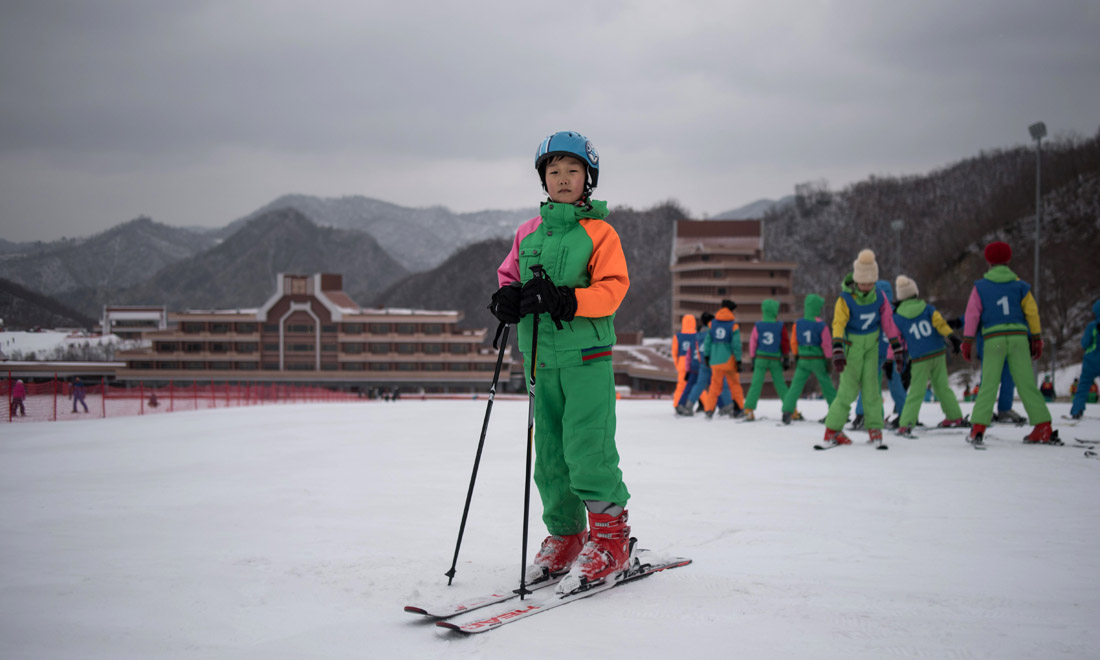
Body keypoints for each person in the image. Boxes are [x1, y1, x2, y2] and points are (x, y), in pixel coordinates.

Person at [487, 130, 632, 594]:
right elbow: (510, 276)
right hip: (539, 363)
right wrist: (506, 299)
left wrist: (569, 299)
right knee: (549, 456)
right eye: (554, 171)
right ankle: (568, 535)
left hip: (586, 358)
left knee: (587, 448)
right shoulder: (527, 233)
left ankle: (611, 539)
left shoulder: (600, 232)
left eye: (573, 171)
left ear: (588, 178)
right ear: (543, 180)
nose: (563, 179)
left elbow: (613, 287)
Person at [962, 241, 1055, 445]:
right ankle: (1043, 426)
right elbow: (1032, 312)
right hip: (1018, 339)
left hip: (993, 339)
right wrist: (1036, 338)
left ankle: (978, 428)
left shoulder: (980, 287)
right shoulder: (1021, 286)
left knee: (989, 384)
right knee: (1026, 382)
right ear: (1009, 259)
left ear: (988, 261)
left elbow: (972, 316)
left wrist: (968, 341)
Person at [820, 249, 905, 447]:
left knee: (872, 391)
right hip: (852, 350)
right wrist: (838, 349)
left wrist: (896, 347)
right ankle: (832, 430)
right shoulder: (846, 299)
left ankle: (875, 428)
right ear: (856, 280)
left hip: (872, 349)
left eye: (870, 283)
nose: (866, 287)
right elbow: (838, 323)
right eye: (863, 282)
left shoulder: (879, 297)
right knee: (847, 392)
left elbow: (888, 322)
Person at [890, 275, 967, 436]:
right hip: (938, 352)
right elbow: (940, 324)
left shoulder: (897, 318)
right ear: (915, 293)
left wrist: (896, 357)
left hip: (919, 357)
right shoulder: (927, 308)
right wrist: (952, 337)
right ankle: (955, 417)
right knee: (942, 387)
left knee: (916, 391)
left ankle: (906, 423)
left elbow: (897, 340)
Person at [851, 280, 907, 430]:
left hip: (874, 352)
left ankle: (865, 415)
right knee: (895, 385)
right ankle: (906, 415)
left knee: (870, 385)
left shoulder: (874, 307)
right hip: (893, 353)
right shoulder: (897, 311)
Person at [781, 293, 836, 424]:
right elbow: (826, 344)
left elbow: (794, 342)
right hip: (818, 360)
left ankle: (787, 411)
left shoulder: (798, 324)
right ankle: (836, 411)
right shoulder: (821, 325)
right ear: (816, 308)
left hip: (803, 359)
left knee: (795, 387)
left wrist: (796, 355)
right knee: (827, 385)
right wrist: (828, 359)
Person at [741, 299, 791, 421]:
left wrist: (752, 357)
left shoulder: (758, 325)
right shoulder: (780, 325)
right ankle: (790, 410)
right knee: (781, 385)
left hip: (760, 358)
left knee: (756, 384)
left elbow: (753, 342)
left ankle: (748, 410)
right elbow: (784, 342)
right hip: (775, 358)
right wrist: (785, 357)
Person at [678, 312, 734, 417]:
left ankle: (688, 405)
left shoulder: (698, 335)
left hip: (703, 363)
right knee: (723, 385)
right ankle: (728, 406)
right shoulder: (712, 333)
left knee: (699, 386)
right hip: (715, 362)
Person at [701, 299, 747, 418]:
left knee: (714, 386)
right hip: (729, 361)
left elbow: (708, 341)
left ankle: (709, 410)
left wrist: (707, 356)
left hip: (715, 360)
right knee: (735, 385)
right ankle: (739, 408)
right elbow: (736, 345)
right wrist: (738, 360)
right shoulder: (733, 326)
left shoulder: (712, 324)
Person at [1069, 298, 1100, 419]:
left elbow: (1085, 343)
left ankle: (1077, 410)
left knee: (1083, 386)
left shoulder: (1092, 326)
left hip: (1091, 360)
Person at [672, 314, 699, 414]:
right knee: (697, 385)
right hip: (693, 361)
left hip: (682, 361)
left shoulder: (678, 336)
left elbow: (674, 352)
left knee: (681, 386)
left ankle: (677, 404)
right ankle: (705, 405)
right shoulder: (697, 335)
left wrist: (677, 364)